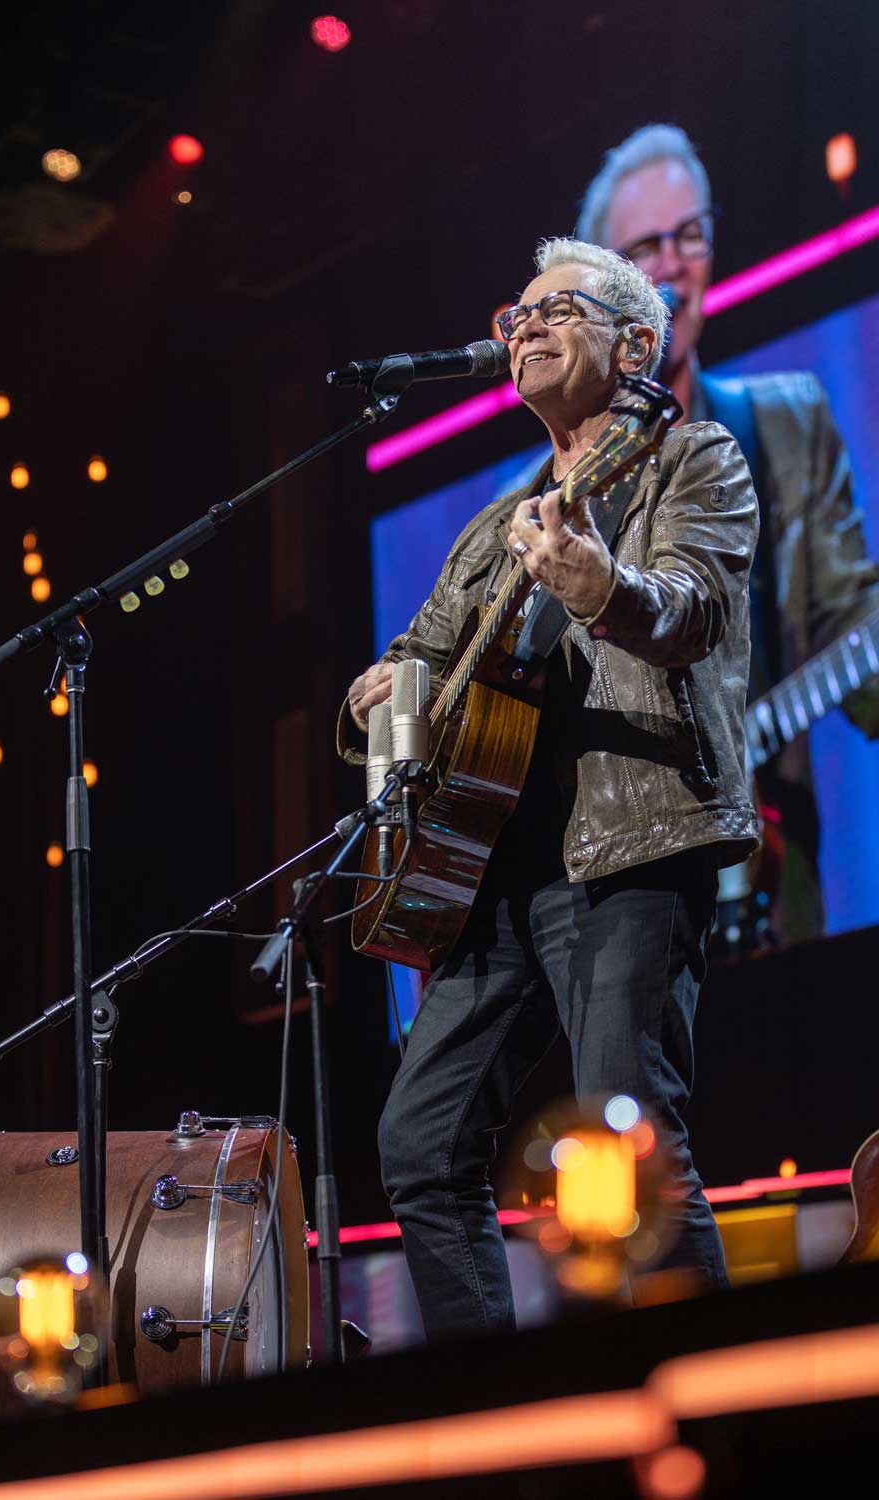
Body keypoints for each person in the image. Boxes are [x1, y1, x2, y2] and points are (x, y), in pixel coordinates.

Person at [340, 239, 759, 1341]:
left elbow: (686, 612)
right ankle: (498, 1403)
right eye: (513, 315)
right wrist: (374, 700)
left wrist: (599, 586)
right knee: (419, 1147)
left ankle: (712, 1410)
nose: (520, 329)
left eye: (553, 311)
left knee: (623, 1143)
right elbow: (409, 665)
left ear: (631, 344)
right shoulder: (492, 527)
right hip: (489, 868)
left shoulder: (692, 460)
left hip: (628, 845)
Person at [577, 124, 879, 945]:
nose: (672, 263)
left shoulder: (783, 424)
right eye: (644, 246)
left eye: (690, 235)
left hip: (771, 899)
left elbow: (852, 632)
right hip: (608, 920)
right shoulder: (537, 496)